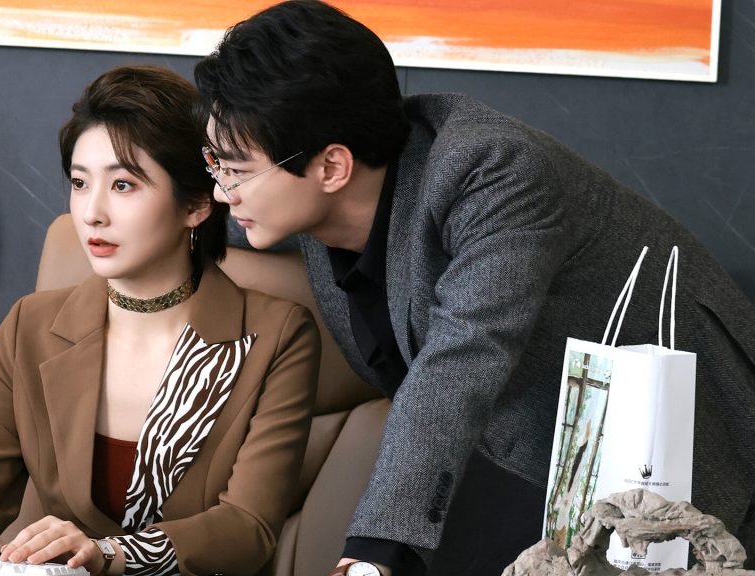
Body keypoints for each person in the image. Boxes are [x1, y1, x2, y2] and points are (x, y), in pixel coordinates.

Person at [194, 1, 755, 574]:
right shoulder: (304, 194)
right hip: (515, 444)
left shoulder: (494, 172)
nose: (220, 191)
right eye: (215, 165)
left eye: (236, 171)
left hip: (670, 447)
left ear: (332, 168)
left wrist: (373, 552)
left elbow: (462, 358)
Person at [0, 65, 320, 576]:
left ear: (196, 203)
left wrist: (109, 553)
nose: (92, 212)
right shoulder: (32, 325)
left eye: (122, 184)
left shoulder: (277, 335)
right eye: (79, 183)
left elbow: (248, 528)